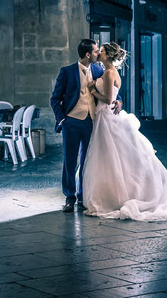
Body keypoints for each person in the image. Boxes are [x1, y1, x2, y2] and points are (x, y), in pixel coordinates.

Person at [81, 42, 167, 221]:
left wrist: (92, 90)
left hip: (106, 116)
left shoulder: (108, 72)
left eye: (102, 51)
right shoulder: (109, 71)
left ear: (108, 55)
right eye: (98, 51)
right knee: (115, 156)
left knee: (110, 156)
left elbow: (107, 98)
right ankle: (119, 192)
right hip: (106, 117)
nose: (99, 53)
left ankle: (117, 195)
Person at [50, 38, 122, 213]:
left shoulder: (99, 69)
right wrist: (62, 119)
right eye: (96, 51)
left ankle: (83, 196)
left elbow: (110, 90)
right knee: (70, 160)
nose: (98, 53)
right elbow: (55, 99)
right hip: (72, 121)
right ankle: (70, 197)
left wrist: (119, 101)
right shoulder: (67, 72)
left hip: (92, 121)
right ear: (88, 54)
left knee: (87, 161)